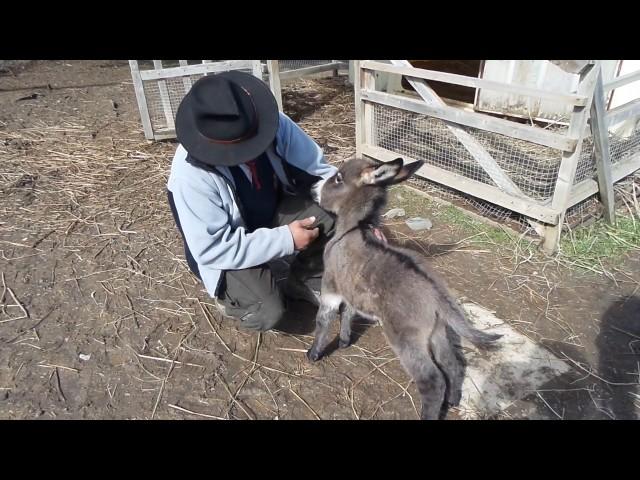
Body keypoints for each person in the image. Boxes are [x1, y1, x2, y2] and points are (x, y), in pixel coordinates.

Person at [167, 70, 337, 332]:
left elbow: (319, 172)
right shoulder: (190, 174)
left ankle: (304, 278)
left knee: (334, 212)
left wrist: (358, 214)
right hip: (228, 242)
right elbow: (211, 248)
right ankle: (235, 299)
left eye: (253, 141)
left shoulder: (272, 123)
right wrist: (286, 240)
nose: (250, 151)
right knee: (269, 311)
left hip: (270, 213)